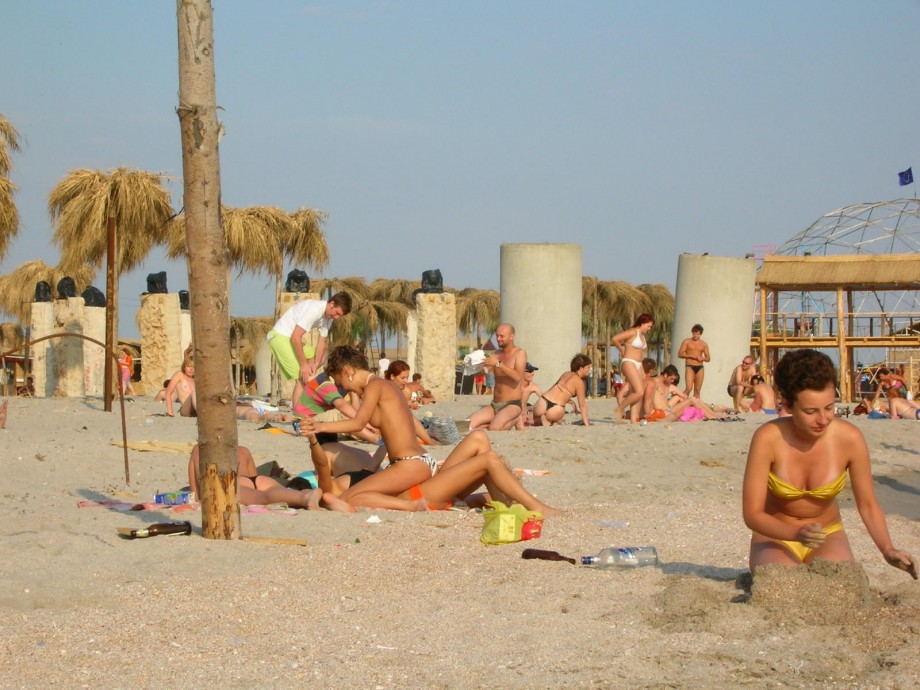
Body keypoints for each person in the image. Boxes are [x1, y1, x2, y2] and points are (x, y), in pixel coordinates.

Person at [304, 345, 559, 515]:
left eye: (339, 381)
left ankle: (537, 507)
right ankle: (500, 501)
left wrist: (320, 425)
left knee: (352, 497)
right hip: (421, 463)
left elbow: (358, 424)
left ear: (347, 372)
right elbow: (405, 421)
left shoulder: (375, 387)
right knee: (479, 437)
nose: (343, 388)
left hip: (408, 463)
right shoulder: (386, 387)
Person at [741, 349, 917, 578]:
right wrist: (795, 532)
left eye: (829, 407)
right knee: (785, 581)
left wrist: (887, 548)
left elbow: (868, 504)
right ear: (787, 404)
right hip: (775, 536)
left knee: (840, 581)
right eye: (811, 411)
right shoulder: (767, 438)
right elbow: (752, 514)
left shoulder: (849, 439)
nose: (823, 419)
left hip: (827, 533)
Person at [266, 291, 352, 415]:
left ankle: (304, 397)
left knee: (322, 355)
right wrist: (304, 365)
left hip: (291, 338)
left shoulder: (329, 317)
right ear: (331, 304)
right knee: (302, 377)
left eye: (340, 316)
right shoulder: (314, 310)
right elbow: (296, 337)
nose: (337, 317)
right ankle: (298, 416)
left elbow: (322, 341)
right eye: (337, 313)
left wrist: (315, 364)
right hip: (280, 337)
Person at [188, 444, 321, 510]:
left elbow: (197, 494)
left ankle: (305, 498)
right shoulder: (243, 450)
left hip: (234, 481)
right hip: (259, 480)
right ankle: (307, 493)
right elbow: (254, 478)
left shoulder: (198, 449)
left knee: (263, 499)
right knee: (277, 492)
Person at [468, 324, 527, 431]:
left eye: (502, 336)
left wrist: (499, 364)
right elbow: (486, 374)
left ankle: (516, 419)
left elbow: (518, 377)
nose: (498, 339)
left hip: (512, 404)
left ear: (511, 337)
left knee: (495, 428)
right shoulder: (496, 354)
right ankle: (494, 421)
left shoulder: (520, 353)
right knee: (468, 424)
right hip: (495, 404)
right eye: (497, 336)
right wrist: (477, 367)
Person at [612, 314, 655, 424]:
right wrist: (622, 350)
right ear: (643, 323)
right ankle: (620, 408)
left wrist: (641, 368)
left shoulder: (642, 336)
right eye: (649, 326)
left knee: (636, 392)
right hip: (629, 362)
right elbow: (615, 339)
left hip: (639, 364)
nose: (650, 329)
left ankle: (634, 419)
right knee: (639, 391)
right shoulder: (633, 332)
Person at [383, 360, 435, 445]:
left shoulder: (405, 391)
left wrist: (408, 405)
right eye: (402, 378)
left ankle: (428, 440)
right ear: (392, 376)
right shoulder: (383, 388)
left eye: (407, 378)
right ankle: (429, 441)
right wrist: (408, 405)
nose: (406, 381)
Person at [532, 354, 592, 427]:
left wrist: (572, 402)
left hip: (542, 401)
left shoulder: (566, 374)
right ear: (581, 368)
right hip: (556, 408)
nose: (589, 370)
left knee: (533, 420)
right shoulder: (579, 382)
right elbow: (582, 405)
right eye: (588, 367)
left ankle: (540, 419)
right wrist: (587, 424)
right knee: (557, 420)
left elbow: (555, 390)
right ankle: (548, 419)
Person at [677, 324, 710, 398]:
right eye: (694, 333)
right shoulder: (687, 341)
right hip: (690, 366)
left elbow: (708, 358)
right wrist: (691, 355)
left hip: (700, 367)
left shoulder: (704, 344)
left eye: (697, 334)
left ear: (700, 334)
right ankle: (680, 403)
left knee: (697, 390)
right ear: (692, 333)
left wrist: (703, 358)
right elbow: (680, 354)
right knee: (688, 388)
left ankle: (696, 408)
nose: (695, 335)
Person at [517, 362, 543, 429]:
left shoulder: (533, 387)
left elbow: (544, 399)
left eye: (533, 371)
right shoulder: (514, 385)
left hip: (525, 412)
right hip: (513, 411)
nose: (533, 374)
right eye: (529, 371)